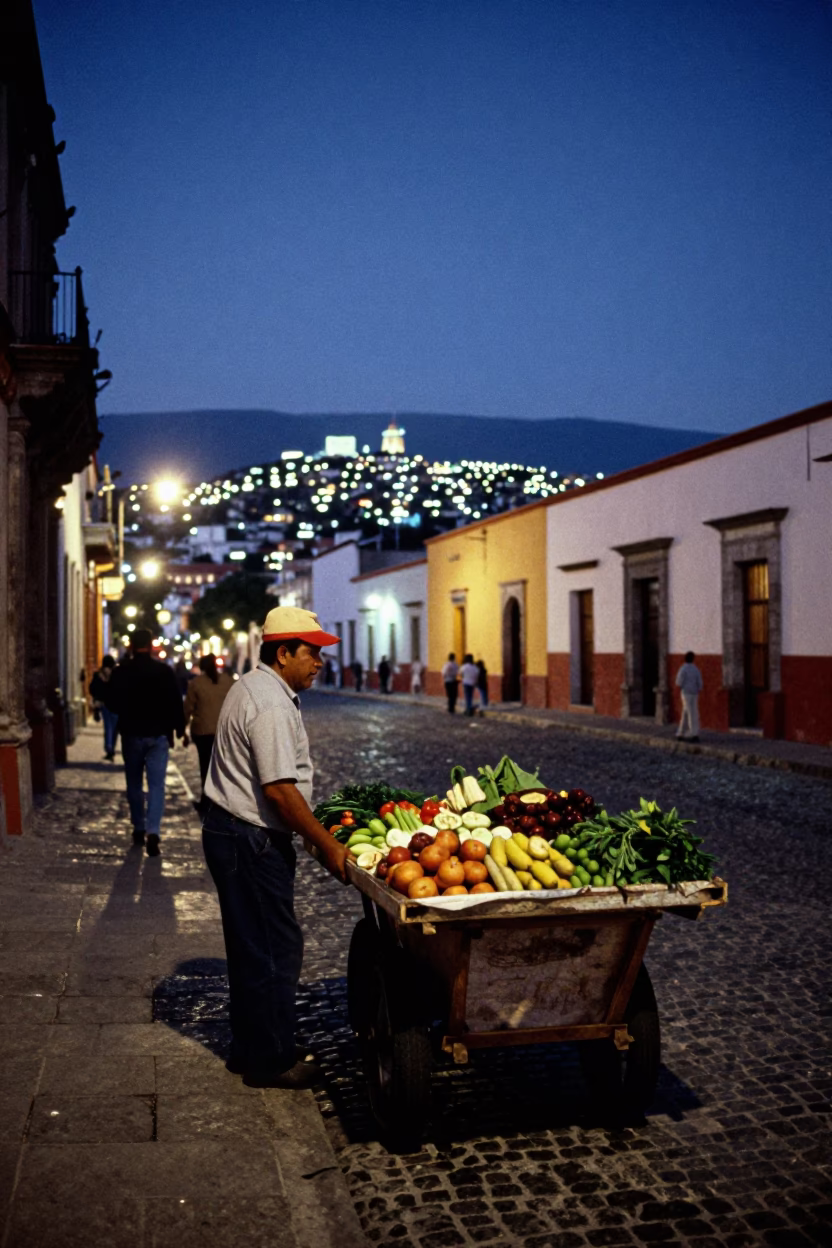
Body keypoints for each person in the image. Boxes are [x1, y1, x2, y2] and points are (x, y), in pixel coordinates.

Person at [201, 606, 353, 1089]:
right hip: (250, 839)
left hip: (234, 832)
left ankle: (251, 1050)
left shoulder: (253, 686)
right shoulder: (269, 704)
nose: (320, 662)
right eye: (313, 653)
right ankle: (271, 1060)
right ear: (283, 653)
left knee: (252, 948)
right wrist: (327, 845)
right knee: (274, 949)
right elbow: (279, 791)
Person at [106, 629, 186, 856]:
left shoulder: (122, 672)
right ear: (151, 646)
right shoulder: (164, 671)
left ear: (130, 645)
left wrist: (126, 710)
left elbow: (111, 702)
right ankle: (154, 831)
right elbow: (174, 701)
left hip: (131, 733)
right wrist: (178, 728)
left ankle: (138, 827)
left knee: (133, 784)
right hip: (158, 735)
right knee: (157, 785)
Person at [183, 654, 235, 808]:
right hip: (225, 731)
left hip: (203, 731)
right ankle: (224, 801)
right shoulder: (228, 681)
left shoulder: (196, 683)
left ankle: (207, 801)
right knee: (224, 767)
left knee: (205, 766)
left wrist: (182, 730)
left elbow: (188, 708)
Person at [89, 655, 118, 760]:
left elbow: (92, 688)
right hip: (115, 704)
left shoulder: (98, 674)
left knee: (108, 726)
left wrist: (97, 697)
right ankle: (112, 748)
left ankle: (108, 747)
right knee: (114, 729)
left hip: (104, 704)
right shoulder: (116, 674)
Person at [675, 651, 703, 742]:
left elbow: (679, 682)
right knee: (693, 712)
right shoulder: (696, 669)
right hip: (694, 693)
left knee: (687, 712)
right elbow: (700, 683)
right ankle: (686, 732)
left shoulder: (683, 669)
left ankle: (690, 733)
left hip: (686, 693)